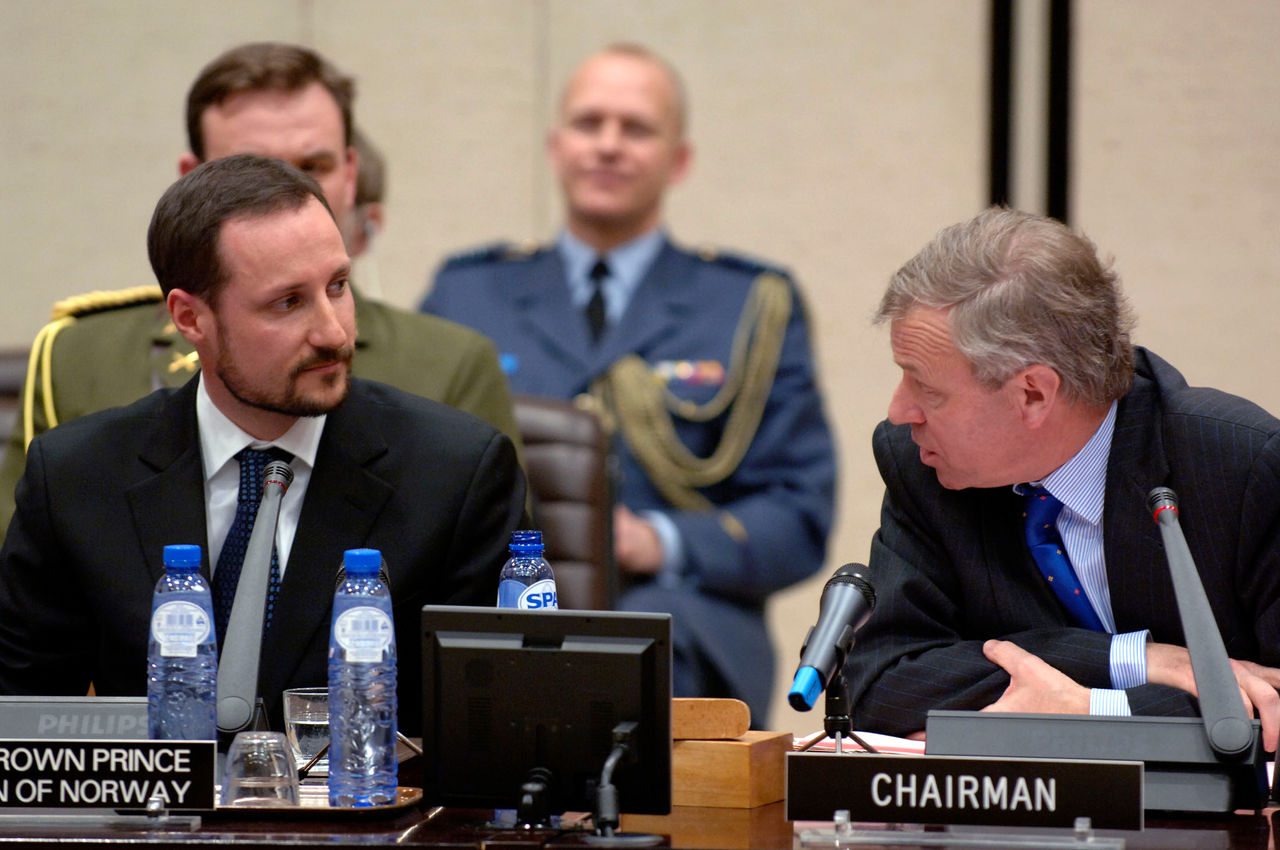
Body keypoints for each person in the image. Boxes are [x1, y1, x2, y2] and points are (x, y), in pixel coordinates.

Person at [0, 155, 527, 733]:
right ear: (190, 319)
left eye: (338, 287)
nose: (333, 332)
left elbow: (492, 733)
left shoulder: (455, 474)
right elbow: (20, 723)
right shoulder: (76, 478)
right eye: (288, 302)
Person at [421, 43, 835, 725]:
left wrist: (659, 541)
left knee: (646, 652)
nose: (608, 145)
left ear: (679, 160)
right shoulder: (467, 294)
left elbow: (800, 513)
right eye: (589, 123)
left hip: (681, 628)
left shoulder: (748, 305)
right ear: (556, 147)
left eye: (637, 128)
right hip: (500, 612)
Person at [0, 42, 522, 536]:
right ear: (191, 179)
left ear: (351, 174)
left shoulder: (449, 367)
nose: (286, 196)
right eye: (247, 171)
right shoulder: (79, 358)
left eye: (313, 166)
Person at [847, 206, 1280, 749]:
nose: (898, 413)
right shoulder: (923, 466)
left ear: (1033, 393)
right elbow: (878, 686)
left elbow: (1272, 703)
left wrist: (1096, 710)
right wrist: (1128, 660)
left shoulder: (1242, 468)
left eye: (928, 390)